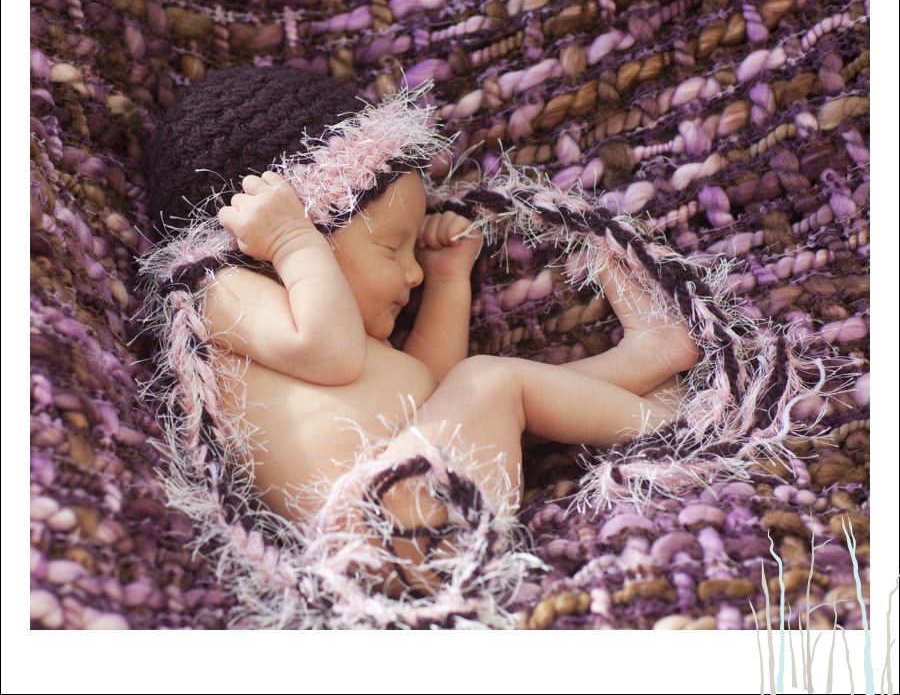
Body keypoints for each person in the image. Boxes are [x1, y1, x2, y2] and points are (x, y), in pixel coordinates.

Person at [148, 65, 699, 595]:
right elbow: (330, 352)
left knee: (497, 398)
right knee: (491, 382)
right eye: (392, 248)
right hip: (385, 516)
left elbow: (432, 394)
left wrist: (447, 281)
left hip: (409, 508)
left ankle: (646, 359)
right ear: (285, 230)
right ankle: (673, 433)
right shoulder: (219, 288)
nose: (409, 272)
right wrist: (294, 242)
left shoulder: (337, 336)